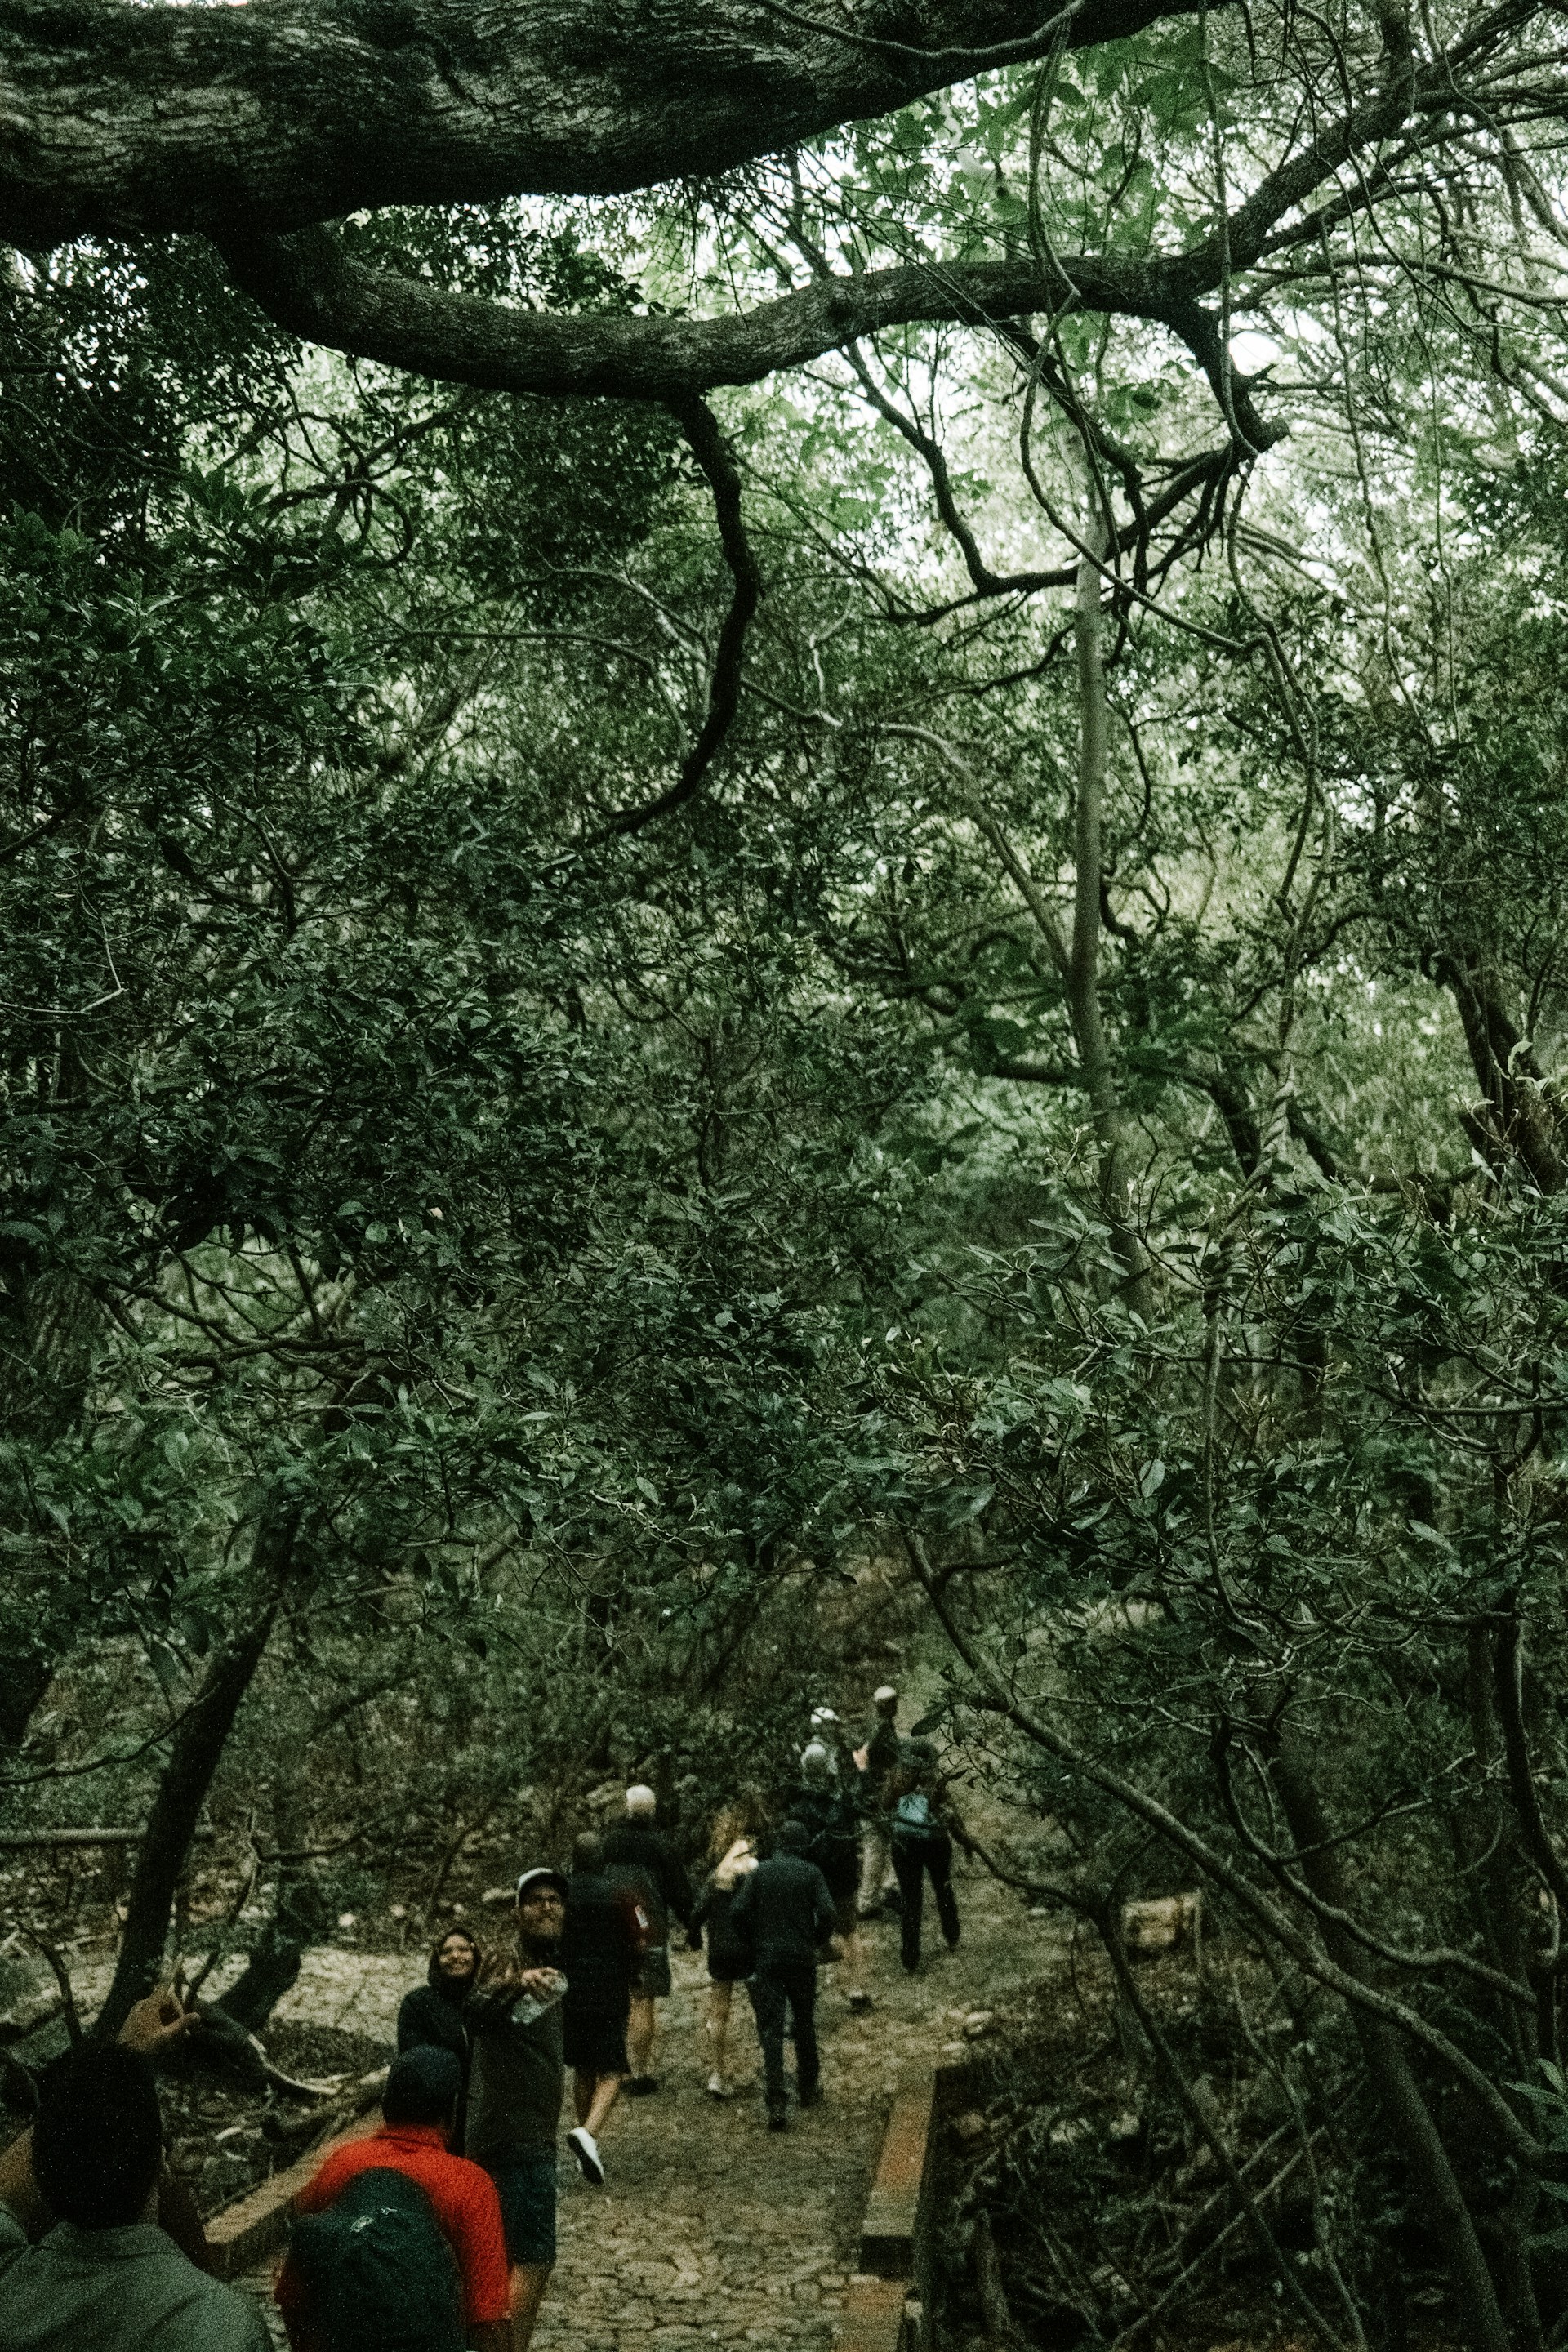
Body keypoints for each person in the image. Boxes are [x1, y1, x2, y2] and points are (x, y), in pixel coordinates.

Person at [0, 1990, 271, 2350]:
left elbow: (6, 2187)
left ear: (42, 2169)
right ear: (159, 2161)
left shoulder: (9, 2285)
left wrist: (112, 2069)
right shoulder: (226, 2324)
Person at [275, 2045, 509, 2352]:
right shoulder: (468, 2185)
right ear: (453, 2110)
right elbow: (488, 2321)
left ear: (387, 2103)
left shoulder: (343, 2164)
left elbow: (295, 2287)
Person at [464, 1867, 570, 2352]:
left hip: (526, 2135)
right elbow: (477, 2008)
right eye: (535, 1900)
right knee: (528, 2259)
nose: (547, 1906)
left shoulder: (548, 1961)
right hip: (512, 2139)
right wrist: (518, 1983)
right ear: (518, 1911)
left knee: (520, 2259)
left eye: (555, 1900)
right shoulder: (508, 1960)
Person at [730, 1818, 835, 2132]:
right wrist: (817, 1938)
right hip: (802, 1957)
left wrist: (752, 1941)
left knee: (772, 2029)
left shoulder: (760, 1873)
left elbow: (737, 1911)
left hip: (769, 1958)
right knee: (804, 2021)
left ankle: (776, 2101)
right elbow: (829, 1912)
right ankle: (808, 2086)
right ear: (802, 1846)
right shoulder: (811, 1873)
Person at [599, 1784, 695, 2095]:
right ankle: (638, 2072)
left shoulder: (607, 1843)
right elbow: (680, 1892)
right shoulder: (661, 1846)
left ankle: (614, 2068)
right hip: (649, 1933)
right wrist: (691, 1925)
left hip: (611, 1935)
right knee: (643, 2001)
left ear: (626, 1809)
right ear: (652, 1811)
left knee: (616, 2001)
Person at [559, 1832, 639, 2185]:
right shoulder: (622, 1894)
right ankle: (588, 2133)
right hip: (609, 1991)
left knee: (582, 2067)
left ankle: (585, 2144)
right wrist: (633, 1974)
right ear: (603, 1860)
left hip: (570, 1992)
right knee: (613, 2071)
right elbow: (642, 1935)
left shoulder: (560, 1895)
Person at [788, 1743, 870, 2012]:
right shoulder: (842, 1799)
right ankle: (857, 1991)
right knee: (850, 1932)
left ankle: (806, 1999)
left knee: (806, 1933)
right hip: (843, 1877)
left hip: (814, 1880)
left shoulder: (798, 1808)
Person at [688, 1815, 758, 2097]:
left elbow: (696, 1914)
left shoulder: (716, 1878)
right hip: (750, 1951)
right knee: (762, 2010)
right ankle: (771, 2069)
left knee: (719, 2013)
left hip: (720, 1951)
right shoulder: (756, 1877)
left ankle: (717, 2075)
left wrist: (692, 1935)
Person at [397, 1927, 480, 2149]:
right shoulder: (418, 2004)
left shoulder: (487, 2001)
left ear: (475, 1955)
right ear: (437, 1959)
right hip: (439, 2114)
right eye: (446, 1951)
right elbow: (414, 2061)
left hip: (483, 2112)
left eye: (463, 1949)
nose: (455, 1956)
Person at [888, 1737, 963, 1971]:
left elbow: (884, 1804)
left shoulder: (897, 1779)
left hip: (904, 1843)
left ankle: (910, 1956)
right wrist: (963, 1838)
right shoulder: (935, 1783)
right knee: (943, 1887)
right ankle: (951, 1934)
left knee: (911, 1900)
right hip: (935, 1842)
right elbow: (950, 1813)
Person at [854, 1684, 902, 1919]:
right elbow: (862, 1758)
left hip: (879, 1795)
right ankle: (881, 1894)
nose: (892, 1707)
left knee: (880, 1847)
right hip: (877, 1797)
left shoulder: (882, 1727)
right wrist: (871, 1790)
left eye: (893, 1701)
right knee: (881, 1847)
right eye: (888, 1703)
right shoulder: (881, 1729)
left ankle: (872, 1898)